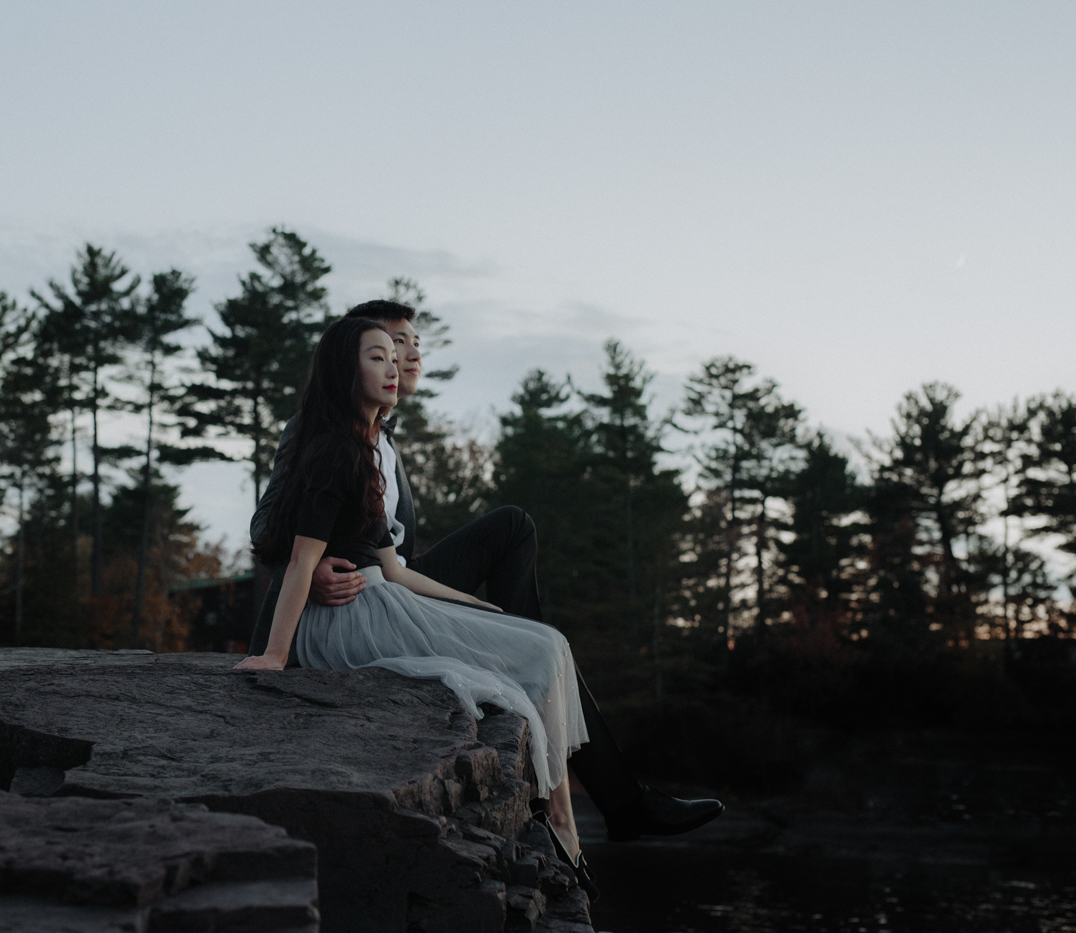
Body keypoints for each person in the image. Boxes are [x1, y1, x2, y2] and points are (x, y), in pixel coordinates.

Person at [249, 300, 725, 845]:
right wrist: (307, 581)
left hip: (394, 580)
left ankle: (585, 759)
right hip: (354, 598)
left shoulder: (382, 440)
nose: (409, 355)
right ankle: (598, 800)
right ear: (351, 360)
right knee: (526, 610)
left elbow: (390, 557)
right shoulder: (321, 432)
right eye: (391, 344)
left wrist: (478, 607)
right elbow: (273, 526)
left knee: (516, 540)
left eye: (409, 345)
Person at [235, 315, 594, 884]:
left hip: (384, 598)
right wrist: (276, 657)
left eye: (394, 356)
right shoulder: (332, 450)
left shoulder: (369, 448)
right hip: (348, 619)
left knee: (547, 643)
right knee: (538, 657)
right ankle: (562, 827)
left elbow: (397, 571)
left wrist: (476, 606)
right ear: (343, 371)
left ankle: (560, 824)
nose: (393, 368)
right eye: (376, 357)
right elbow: (303, 559)